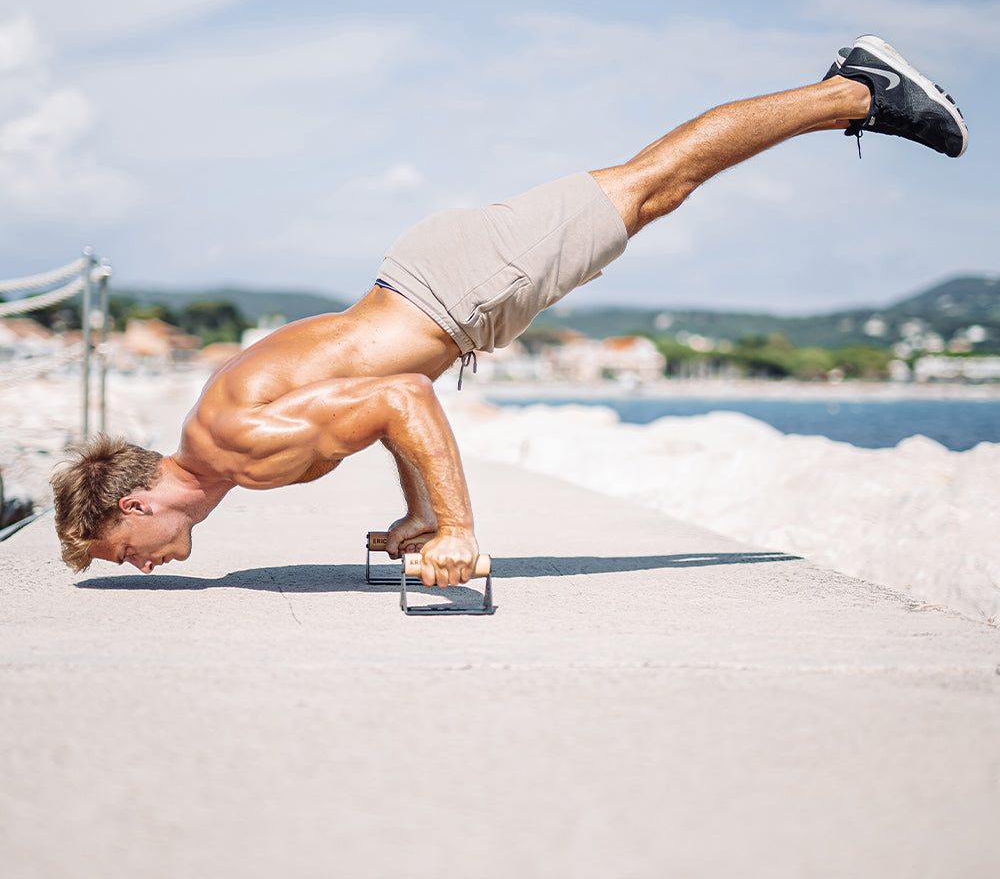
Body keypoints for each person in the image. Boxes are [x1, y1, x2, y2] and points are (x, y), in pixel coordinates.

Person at [51, 35, 968, 587]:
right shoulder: (220, 442)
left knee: (656, 183)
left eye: (118, 547)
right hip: (447, 286)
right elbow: (377, 403)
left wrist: (458, 530)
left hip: (458, 286)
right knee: (655, 190)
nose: (137, 560)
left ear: (135, 503)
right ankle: (850, 91)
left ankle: (858, 89)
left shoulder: (236, 448)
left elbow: (404, 398)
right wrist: (419, 514)